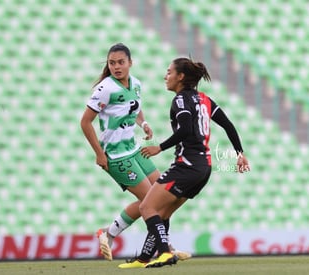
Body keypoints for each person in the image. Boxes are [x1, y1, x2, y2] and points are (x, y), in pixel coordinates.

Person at [120, 57, 250, 268]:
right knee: (162, 212)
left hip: (186, 166)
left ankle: (164, 253)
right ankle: (144, 258)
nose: (166, 76)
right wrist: (239, 153)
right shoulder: (205, 99)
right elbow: (228, 125)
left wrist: (158, 147)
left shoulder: (180, 100)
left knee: (146, 207)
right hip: (203, 169)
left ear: (180, 77)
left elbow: (186, 129)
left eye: (169, 72)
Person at [80, 43, 190, 262]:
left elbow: (135, 107)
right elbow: (85, 122)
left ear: (130, 63)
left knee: (165, 195)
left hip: (134, 150)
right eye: (112, 63)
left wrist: (144, 123)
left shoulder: (136, 84)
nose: (116, 67)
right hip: (116, 156)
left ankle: (157, 242)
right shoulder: (105, 88)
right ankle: (152, 243)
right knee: (150, 202)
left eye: (121, 62)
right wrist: (99, 154)